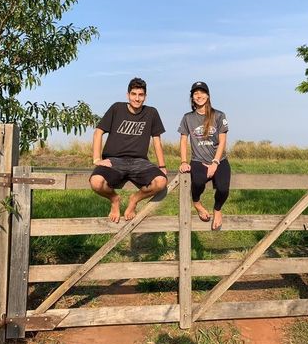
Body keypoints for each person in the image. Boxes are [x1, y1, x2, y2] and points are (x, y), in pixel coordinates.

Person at [90, 77, 168, 223]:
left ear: (145, 96)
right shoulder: (116, 108)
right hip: (114, 160)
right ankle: (114, 199)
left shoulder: (151, 113)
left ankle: (134, 199)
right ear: (128, 95)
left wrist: (162, 166)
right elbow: (98, 132)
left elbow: (157, 140)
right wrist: (97, 159)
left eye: (140, 95)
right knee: (96, 182)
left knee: (161, 182)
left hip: (139, 161)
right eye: (134, 94)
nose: (137, 98)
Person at [178, 81, 230, 230]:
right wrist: (183, 161)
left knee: (223, 188)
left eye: (202, 92)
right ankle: (196, 202)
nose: (199, 95)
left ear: (208, 96)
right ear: (192, 97)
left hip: (219, 159)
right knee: (199, 182)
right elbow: (183, 140)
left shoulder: (219, 115)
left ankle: (218, 209)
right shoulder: (188, 117)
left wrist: (215, 162)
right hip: (198, 160)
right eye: (195, 93)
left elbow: (222, 141)